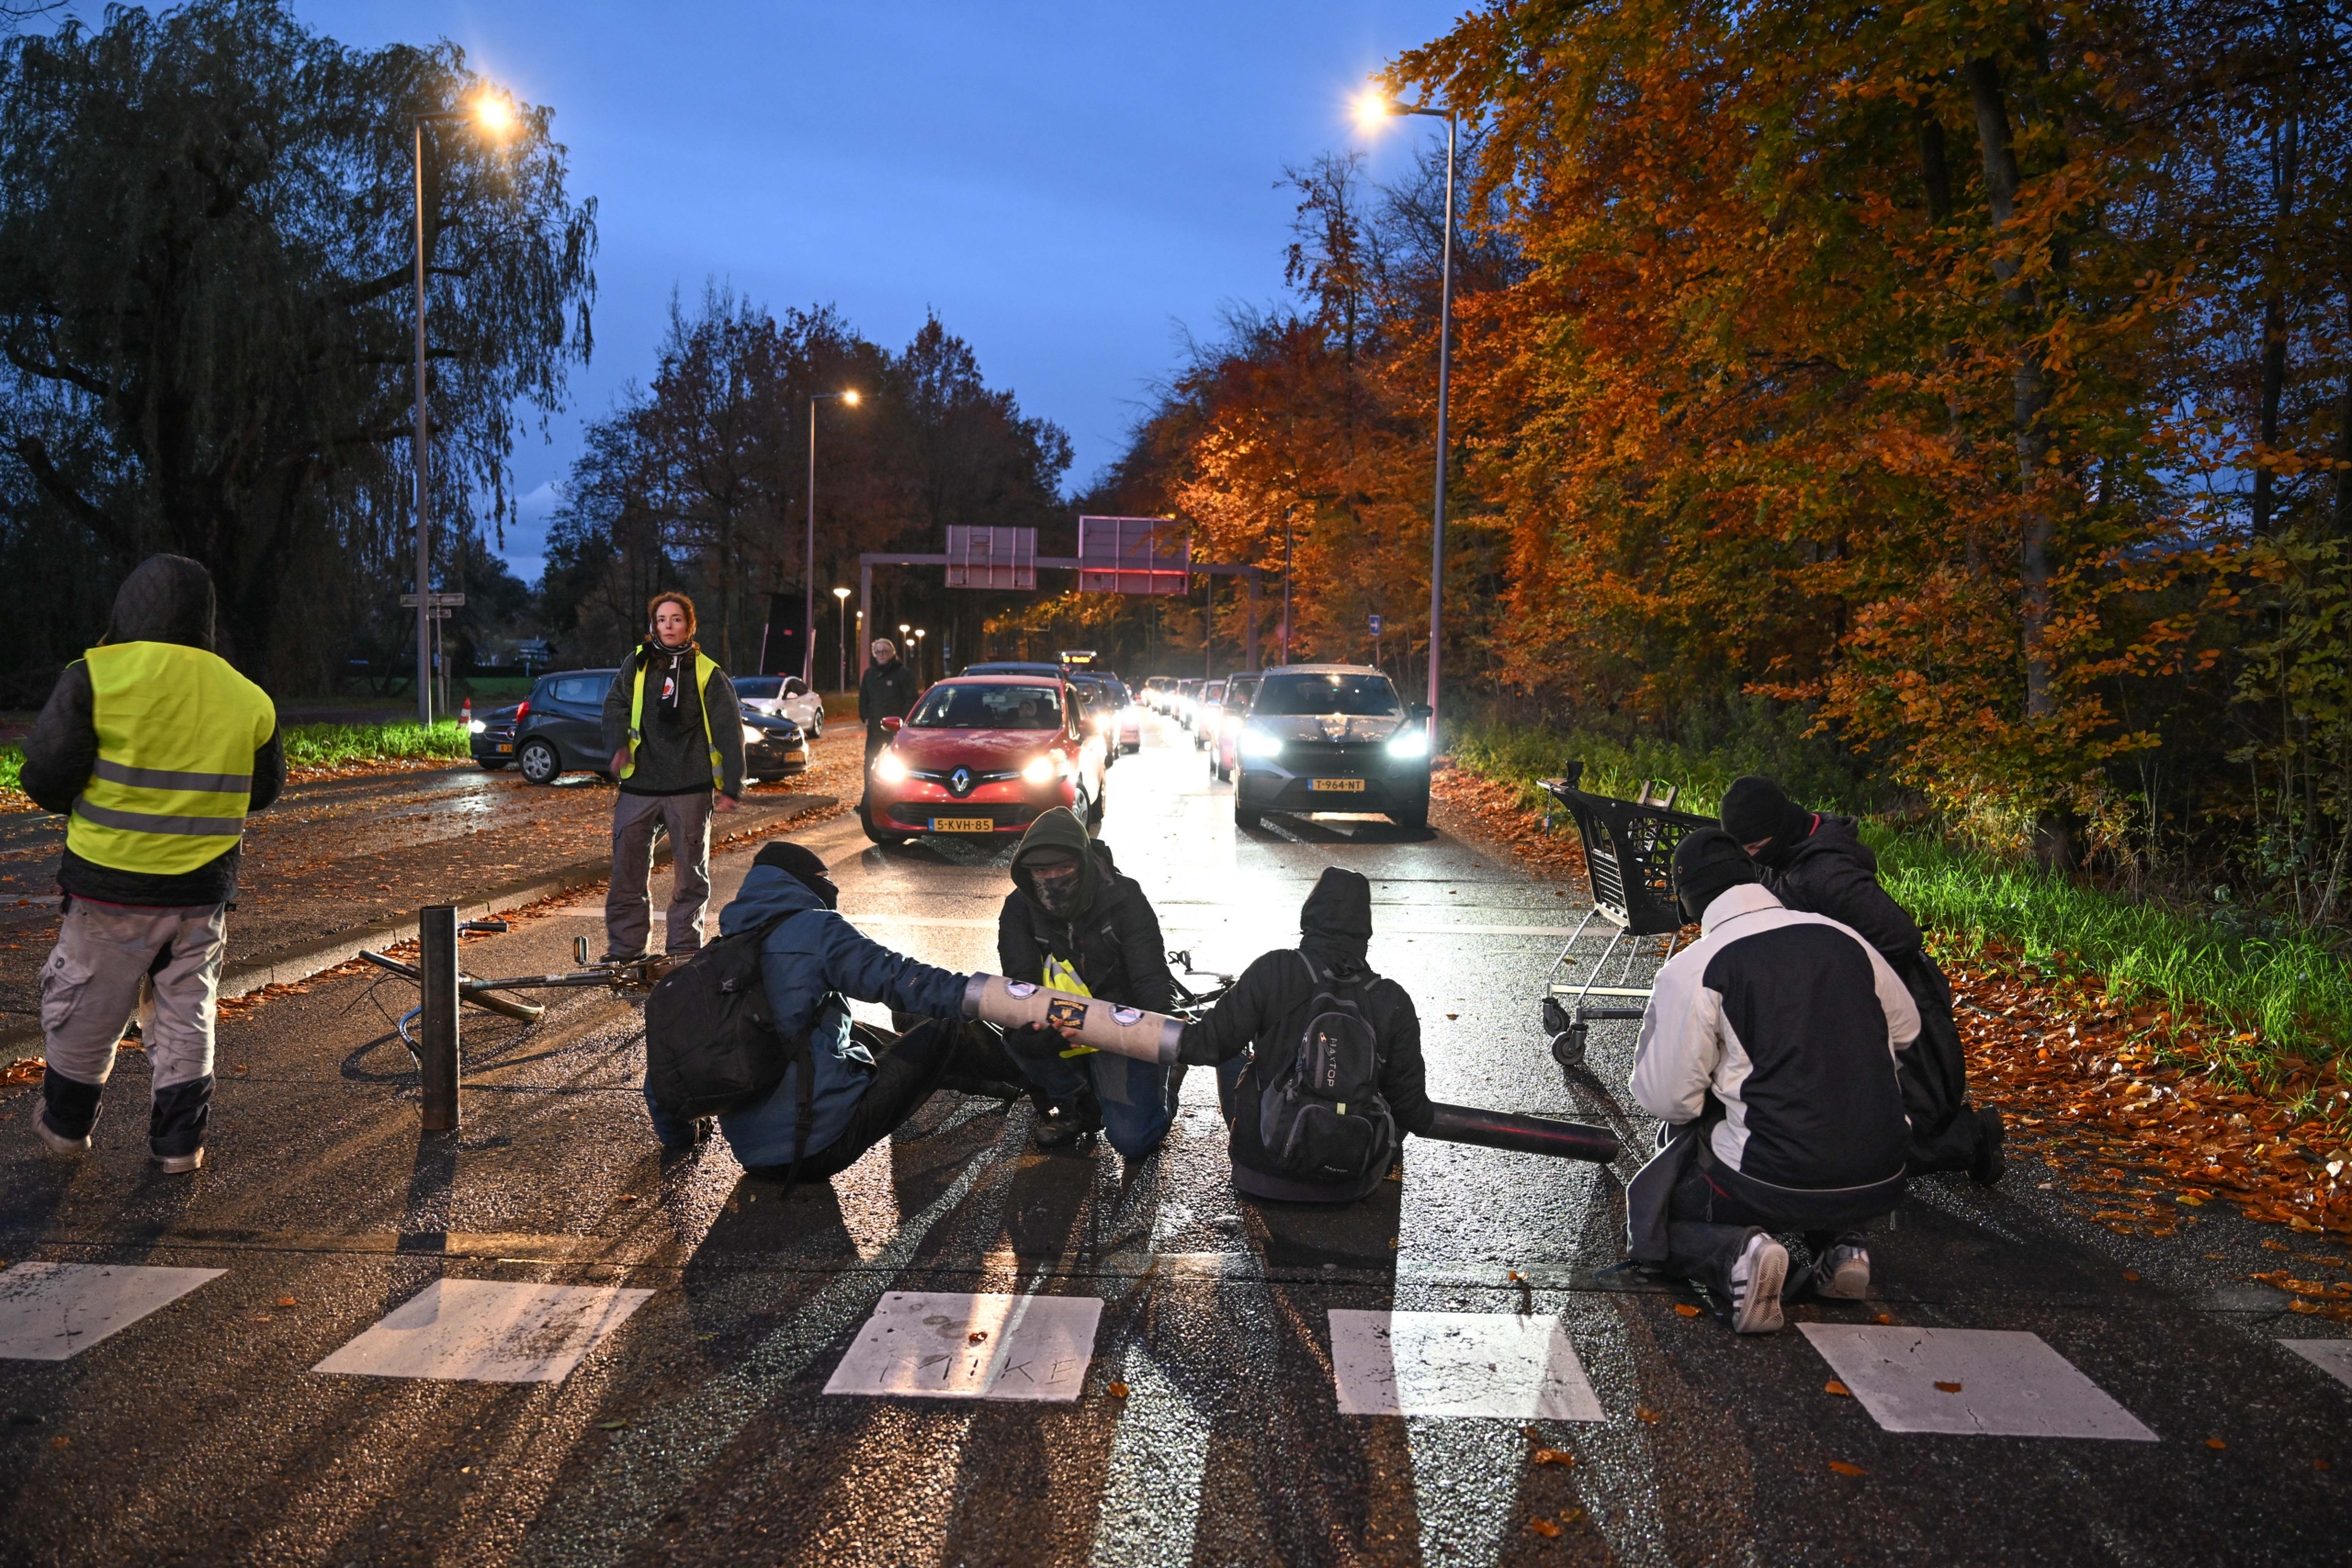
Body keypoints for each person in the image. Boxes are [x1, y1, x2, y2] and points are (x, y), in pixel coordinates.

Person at [19, 555, 283, 1174]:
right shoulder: (247, 696)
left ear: (128, 608)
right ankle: (178, 1145)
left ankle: (65, 1126)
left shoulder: (96, 676)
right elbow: (264, 789)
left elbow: (47, 778)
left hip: (109, 888)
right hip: (200, 896)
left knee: (86, 1004)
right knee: (186, 1012)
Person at [1626, 830, 1920, 1333]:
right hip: (1883, 1174)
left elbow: (1667, 1099)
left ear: (1687, 899)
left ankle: (1738, 1256)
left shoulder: (1696, 967)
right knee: (1819, 1112)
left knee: (1656, 1211)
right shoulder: (1842, 937)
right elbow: (1908, 1030)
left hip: (1766, 1180)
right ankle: (1844, 1246)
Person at [645, 840, 993, 1179]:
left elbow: (668, 1063)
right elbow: (907, 980)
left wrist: (681, 1137)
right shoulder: (816, 929)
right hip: (818, 1144)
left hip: (753, 1158)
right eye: (825, 878)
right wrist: (1012, 1001)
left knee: (838, 1027)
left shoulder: (718, 958)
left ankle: (993, 1082)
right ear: (804, 882)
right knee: (947, 1026)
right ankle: (1037, 1081)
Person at [1719, 775, 2004, 1184]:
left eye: (1755, 849)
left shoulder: (1823, 874)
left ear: (1777, 832)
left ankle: (1972, 1138)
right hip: (1849, 1008)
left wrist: (1843, 992)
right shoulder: (1785, 859)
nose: (1752, 859)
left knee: (1858, 1144)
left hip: (1901, 1011)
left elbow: (1902, 939)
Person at [1176, 867, 1436, 1202]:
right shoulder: (1391, 999)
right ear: (1365, 931)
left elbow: (1206, 1046)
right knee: (1386, 1090)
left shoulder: (1275, 969)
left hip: (1263, 1175)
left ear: (1309, 916)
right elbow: (1411, 1108)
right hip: (1350, 1185)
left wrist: (1135, 1031)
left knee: (1233, 1052)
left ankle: (1255, 1141)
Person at [997, 807, 1180, 1156]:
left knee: (1134, 1141)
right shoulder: (1018, 909)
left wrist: (1165, 1031)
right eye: (1040, 871)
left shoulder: (1125, 898)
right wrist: (1031, 1032)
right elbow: (1020, 982)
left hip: (1120, 1025)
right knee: (1012, 1031)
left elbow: (1149, 975)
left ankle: (1164, 1083)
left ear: (1082, 861)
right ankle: (1075, 1102)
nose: (1052, 878)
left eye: (1063, 868)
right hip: (1062, 1023)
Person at [599, 592, 745, 964]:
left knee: (689, 878)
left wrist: (730, 784)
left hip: (690, 787)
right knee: (627, 873)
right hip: (640, 785)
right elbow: (615, 704)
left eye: (676, 619)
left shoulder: (708, 672)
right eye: (662, 619)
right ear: (653, 625)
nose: (669, 625)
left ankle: (682, 953)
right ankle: (626, 953)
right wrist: (617, 745)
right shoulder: (637, 664)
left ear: (689, 625)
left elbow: (729, 729)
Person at [857, 637, 920, 808]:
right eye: (878, 651)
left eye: (885, 651)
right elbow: (864, 698)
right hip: (875, 728)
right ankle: (868, 800)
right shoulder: (869, 675)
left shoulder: (904, 674)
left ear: (893, 653)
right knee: (870, 762)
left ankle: (901, 799)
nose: (881, 654)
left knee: (900, 764)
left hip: (897, 730)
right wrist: (865, 716)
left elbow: (911, 699)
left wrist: (903, 721)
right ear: (874, 654)